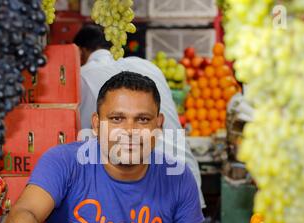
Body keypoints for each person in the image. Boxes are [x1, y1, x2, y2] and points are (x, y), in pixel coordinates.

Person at [4, 72, 224, 223]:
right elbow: (20, 215)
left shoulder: (176, 177)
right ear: (97, 125)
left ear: (158, 126)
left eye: (143, 119)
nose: (129, 131)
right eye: (117, 119)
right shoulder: (65, 162)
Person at [73, 24, 206, 209]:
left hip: (148, 181)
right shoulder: (147, 66)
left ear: (80, 51)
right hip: (184, 170)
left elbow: (88, 136)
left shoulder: (82, 76)